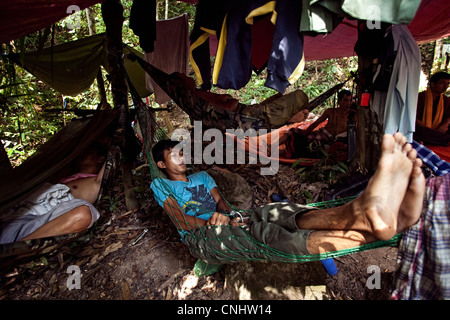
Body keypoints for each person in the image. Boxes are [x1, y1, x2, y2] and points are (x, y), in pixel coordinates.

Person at [150, 132, 425, 261]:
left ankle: (356, 214)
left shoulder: (203, 176)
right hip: (202, 237)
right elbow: (182, 221)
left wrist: (229, 214)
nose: (182, 158)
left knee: (276, 212)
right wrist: (215, 222)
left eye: (182, 152)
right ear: (161, 165)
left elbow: (220, 200)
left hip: (229, 218)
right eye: (174, 155)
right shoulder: (160, 185)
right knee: (264, 235)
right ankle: (375, 229)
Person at [0, 144, 106, 244]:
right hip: (16, 214)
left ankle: (17, 249)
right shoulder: (64, 172)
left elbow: (99, 182)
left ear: (100, 159)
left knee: (82, 215)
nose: (81, 154)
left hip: (41, 220)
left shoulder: (92, 180)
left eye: (87, 152)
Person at [414, 71, 450, 146]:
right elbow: (413, 117)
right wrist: (427, 128)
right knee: (418, 131)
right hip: (423, 128)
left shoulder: (445, 100)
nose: (445, 86)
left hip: (437, 130)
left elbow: (448, 116)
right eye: (442, 83)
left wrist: (445, 124)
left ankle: (427, 140)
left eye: (447, 84)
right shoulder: (420, 97)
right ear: (433, 84)